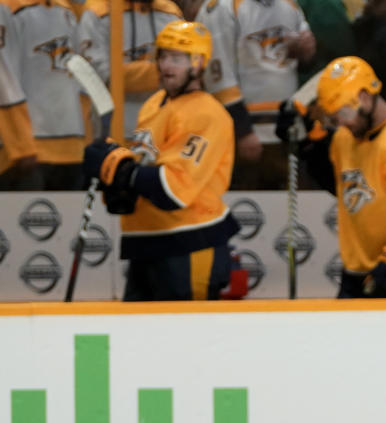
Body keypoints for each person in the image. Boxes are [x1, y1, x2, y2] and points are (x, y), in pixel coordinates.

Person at [81, 20, 240, 301]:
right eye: (163, 57)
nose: (166, 66)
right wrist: (112, 170)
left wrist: (118, 168)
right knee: (138, 341)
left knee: (187, 340)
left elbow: (171, 191)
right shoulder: (155, 103)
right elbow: (142, 170)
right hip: (147, 244)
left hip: (189, 245)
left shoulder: (206, 114)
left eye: (177, 58)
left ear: (199, 62)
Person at [275, 55, 386, 298]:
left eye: (343, 113)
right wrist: (307, 143)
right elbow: (345, 188)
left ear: (365, 97)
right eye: (334, 118)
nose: (341, 123)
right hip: (356, 273)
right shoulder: (346, 137)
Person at [196, 0, 316, 189]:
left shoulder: (290, 4)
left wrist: (306, 51)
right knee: (248, 207)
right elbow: (217, 75)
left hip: (289, 130)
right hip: (248, 134)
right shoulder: (221, 7)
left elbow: (302, 59)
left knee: (296, 208)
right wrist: (243, 130)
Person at [0, 0, 87, 190]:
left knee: (74, 219)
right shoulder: (7, 7)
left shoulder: (67, 8)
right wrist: (22, 146)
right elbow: (4, 81)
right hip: (29, 153)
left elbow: (81, 77)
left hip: (73, 148)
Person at [77, 0, 184, 139]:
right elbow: (100, 76)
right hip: (113, 134)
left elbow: (186, 74)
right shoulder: (97, 13)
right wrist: (166, 73)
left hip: (165, 132)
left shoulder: (170, 12)